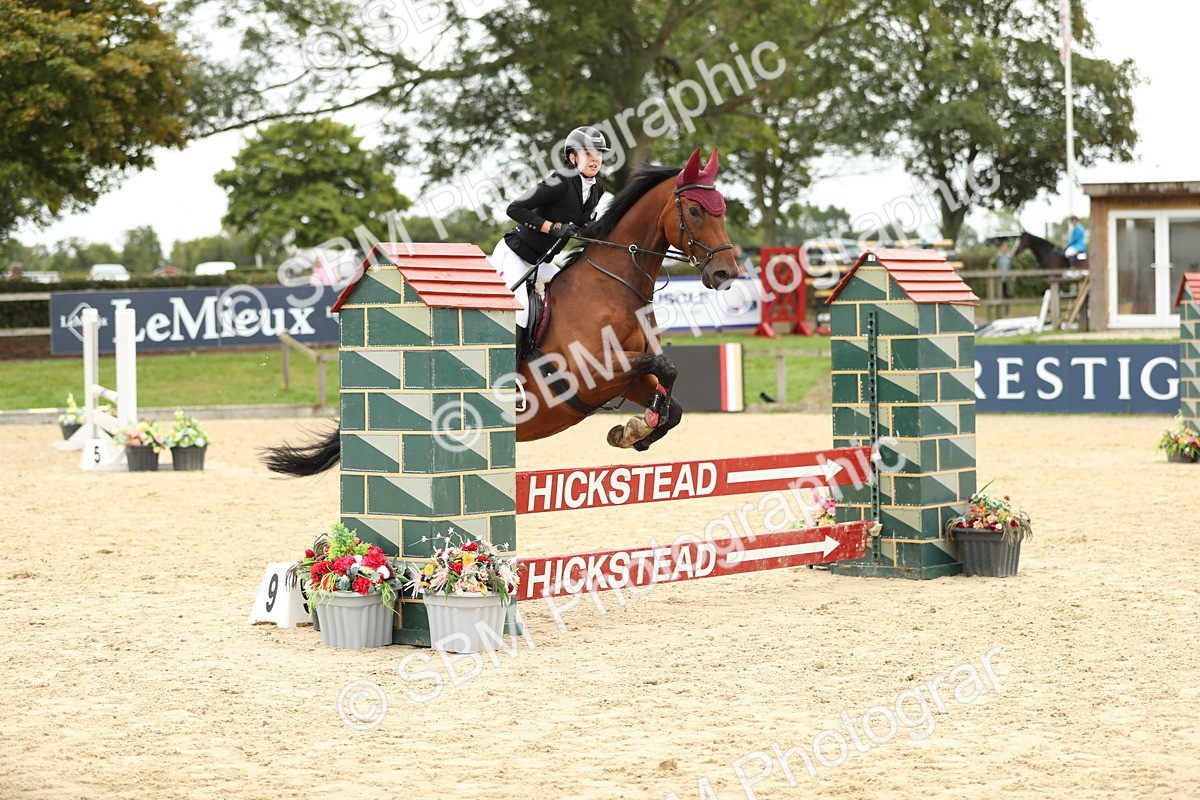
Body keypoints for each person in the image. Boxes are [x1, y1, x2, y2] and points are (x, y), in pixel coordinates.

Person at [491, 126, 609, 339]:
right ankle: (510, 367)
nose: (595, 159)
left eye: (599, 153)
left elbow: (581, 225)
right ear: (573, 157)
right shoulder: (560, 181)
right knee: (522, 313)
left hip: (543, 261)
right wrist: (552, 227)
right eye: (588, 153)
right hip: (515, 255)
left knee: (575, 298)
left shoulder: (596, 189)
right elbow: (515, 208)